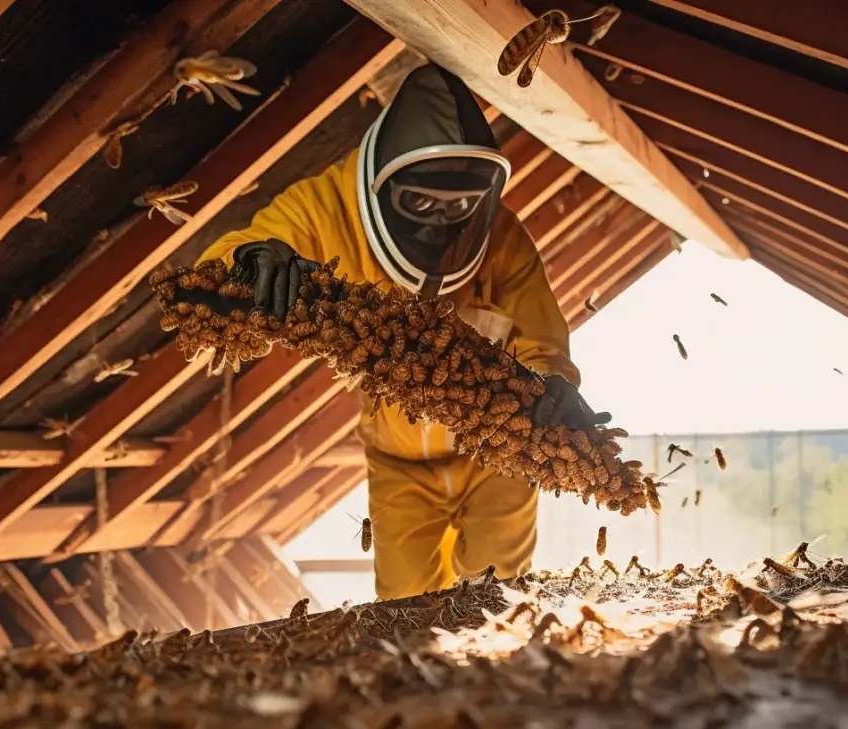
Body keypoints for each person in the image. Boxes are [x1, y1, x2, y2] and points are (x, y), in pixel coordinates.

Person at [197, 63, 609, 599]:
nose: (439, 225)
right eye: (421, 203)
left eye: (458, 207)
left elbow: (542, 339)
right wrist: (249, 261)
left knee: (498, 594)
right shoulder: (327, 206)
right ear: (383, 185)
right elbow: (224, 262)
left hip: (496, 454)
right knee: (404, 604)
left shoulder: (504, 240)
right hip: (395, 462)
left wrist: (554, 386)